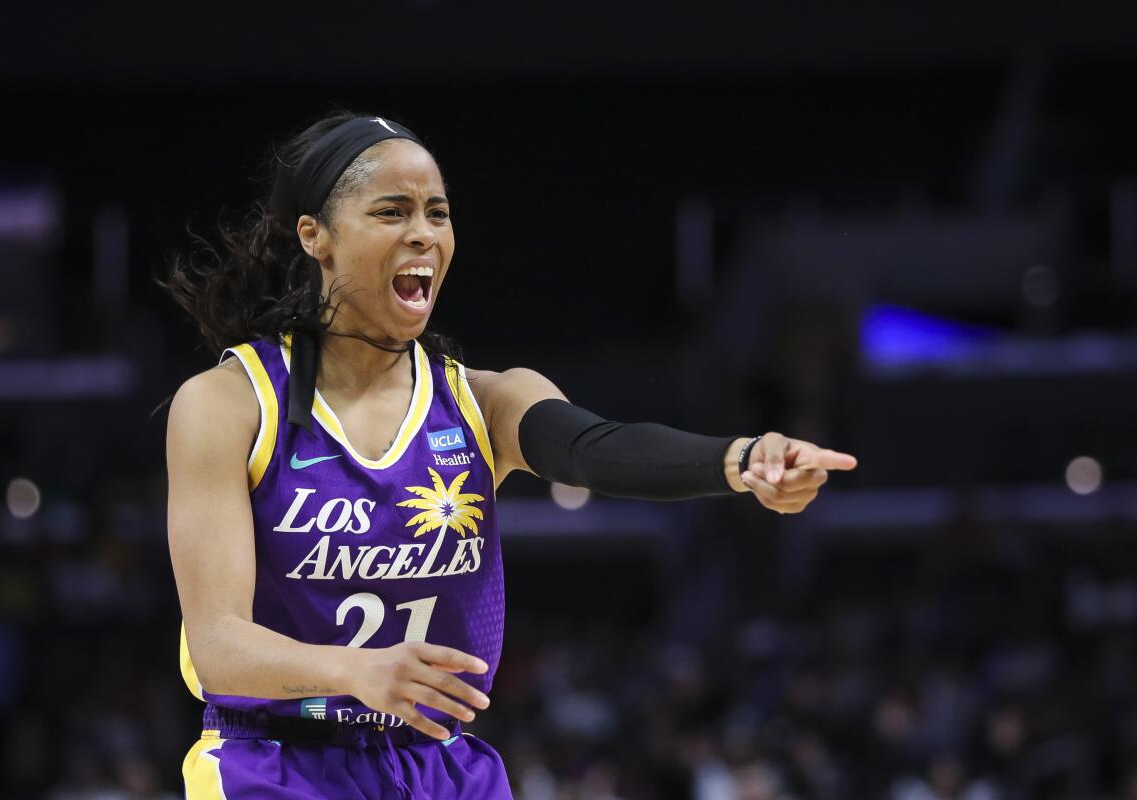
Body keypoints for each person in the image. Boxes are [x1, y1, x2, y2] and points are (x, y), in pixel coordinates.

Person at [162, 110, 857, 799]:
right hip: (275, 767)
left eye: (438, 213)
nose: (424, 234)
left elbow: (594, 449)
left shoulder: (483, 403)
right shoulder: (231, 405)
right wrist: (353, 671)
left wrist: (741, 459)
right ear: (317, 236)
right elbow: (220, 648)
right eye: (392, 211)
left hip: (440, 767)